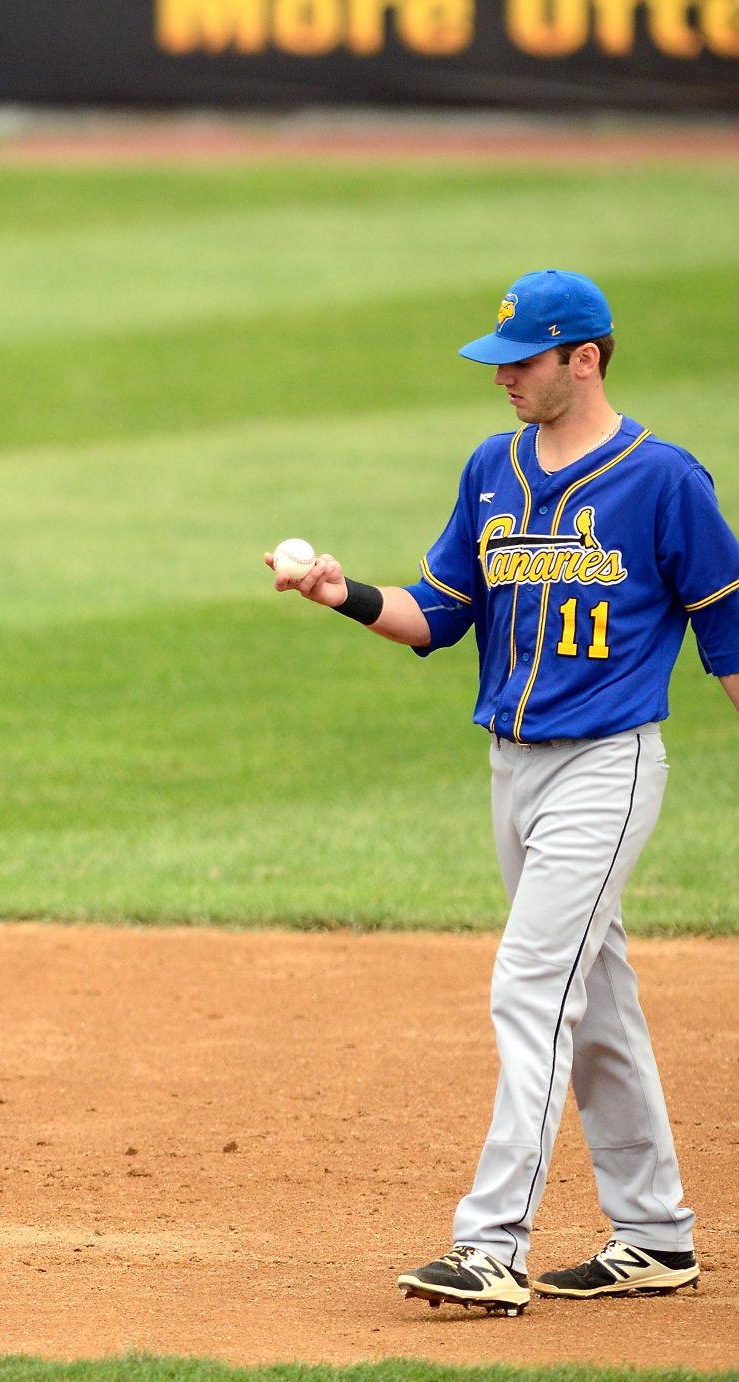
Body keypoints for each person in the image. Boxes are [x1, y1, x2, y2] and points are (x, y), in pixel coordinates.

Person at [266, 269, 739, 1315]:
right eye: (500, 363)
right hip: (511, 768)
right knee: (596, 996)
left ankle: (489, 1244)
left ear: (587, 358)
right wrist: (338, 591)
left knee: (531, 983)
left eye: (524, 362)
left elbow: (730, 643)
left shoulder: (668, 483)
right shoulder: (493, 468)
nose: (506, 380)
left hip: (606, 768)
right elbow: (438, 613)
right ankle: (656, 1232)